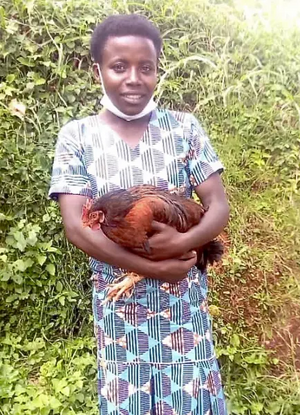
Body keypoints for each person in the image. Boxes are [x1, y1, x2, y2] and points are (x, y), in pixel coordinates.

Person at [49, 13, 229, 415]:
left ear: (157, 70)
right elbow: (77, 228)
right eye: (119, 66)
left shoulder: (184, 128)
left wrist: (182, 244)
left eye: (145, 67)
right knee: (126, 399)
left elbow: (218, 206)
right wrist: (148, 267)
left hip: (182, 300)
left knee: (190, 396)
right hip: (119, 305)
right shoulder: (76, 136)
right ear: (98, 72)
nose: (133, 78)